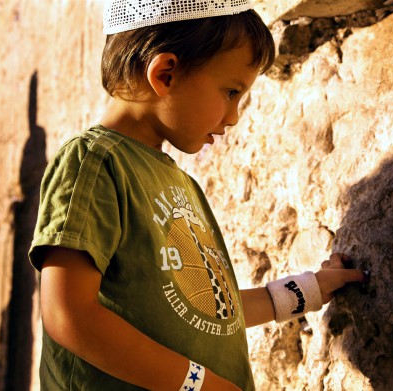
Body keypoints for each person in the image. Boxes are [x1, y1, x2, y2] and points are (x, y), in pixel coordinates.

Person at [28, 1, 366, 390]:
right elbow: (68, 315)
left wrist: (308, 290)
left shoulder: (178, 182)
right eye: (231, 91)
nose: (235, 115)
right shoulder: (94, 163)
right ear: (165, 73)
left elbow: (205, 309)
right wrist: (198, 385)